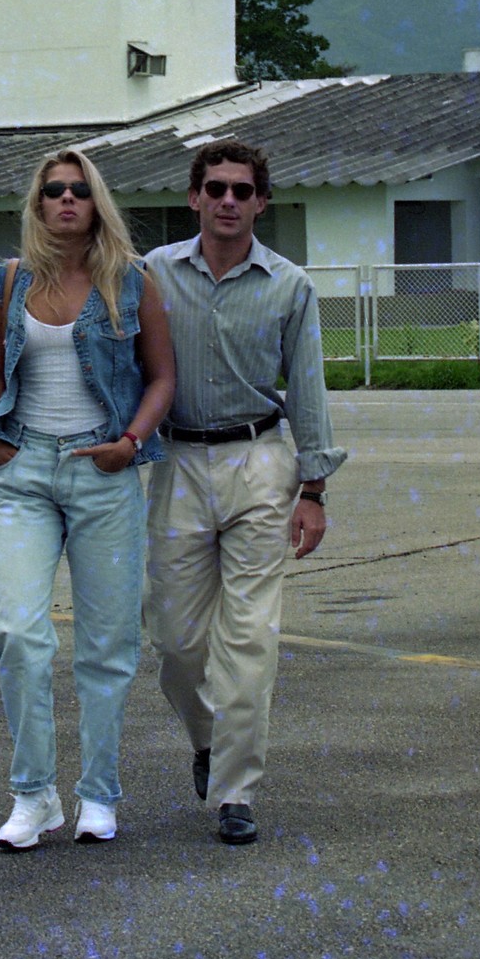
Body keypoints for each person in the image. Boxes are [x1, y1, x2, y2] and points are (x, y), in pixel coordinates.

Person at [145, 140, 345, 846]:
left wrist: (313, 487)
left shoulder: (290, 287)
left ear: (262, 202)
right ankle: (206, 741)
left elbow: (309, 389)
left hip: (261, 461)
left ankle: (235, 790)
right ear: (194, 197)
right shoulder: (154, 275)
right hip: (178, 463)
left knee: (249, 637)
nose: (229, 201)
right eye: (216, 188)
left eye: (242, 190)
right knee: (176, 640)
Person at [0, 148, 175, 851]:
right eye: (53, 191)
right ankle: (33, 795)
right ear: (37, 204)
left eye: (79, 190)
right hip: (24, 469)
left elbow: (161, 377)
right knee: (17, 634)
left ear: (97, 204)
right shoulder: (9, 280)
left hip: (103, 469)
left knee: (107, 644)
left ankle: (99, 794)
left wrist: (130, 440)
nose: (66, 200)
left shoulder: (131, 280)